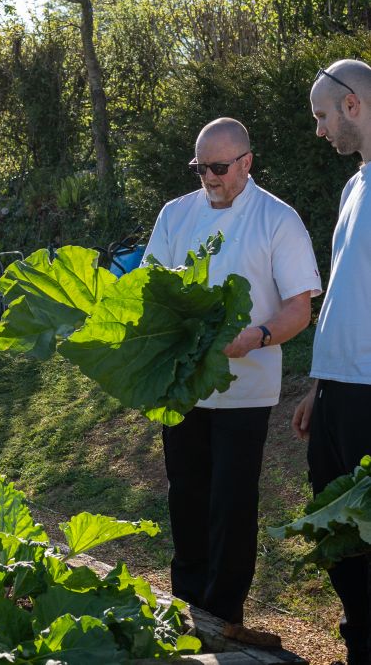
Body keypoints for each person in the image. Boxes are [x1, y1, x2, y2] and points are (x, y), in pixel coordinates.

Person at [144, 117, 321, 646]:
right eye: (200, 168)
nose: (210, 178)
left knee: (232, 503)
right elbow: (151, 288)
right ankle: (188, 608)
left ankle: (223, 616)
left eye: (219, 168)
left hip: (247, 389)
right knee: (186, 497)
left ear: (246, 162)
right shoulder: (176, 214)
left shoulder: (277, 220)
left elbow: (299, 308)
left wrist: (258, 335)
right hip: (183, 384)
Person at [293, 59, 371, 665]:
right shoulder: (354, 187)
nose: (319, 131)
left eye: (322, 116)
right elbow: (346, 295)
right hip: (339, 390)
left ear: (353, 106)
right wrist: (319, 386)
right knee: (339, 532)